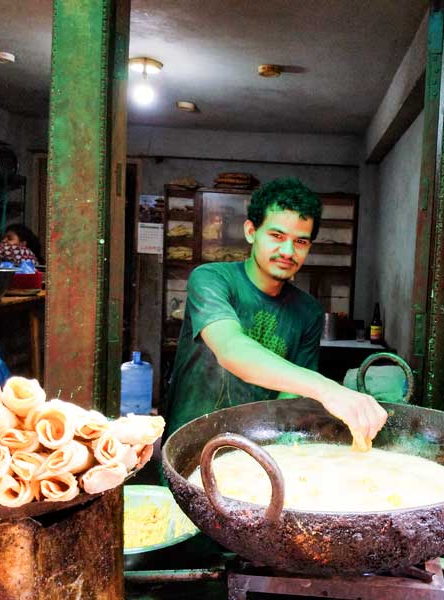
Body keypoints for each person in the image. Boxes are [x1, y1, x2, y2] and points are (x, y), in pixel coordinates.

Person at [165, 178, 386, 449]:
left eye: (300, 241)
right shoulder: (212, 279)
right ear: (250, 231)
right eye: (277, 236)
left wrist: (288, 448)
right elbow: (231, 349)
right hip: (190, 445)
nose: (288, 251)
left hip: (256, 451)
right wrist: (328, 388)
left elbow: (289, 398)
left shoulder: (308, 312)